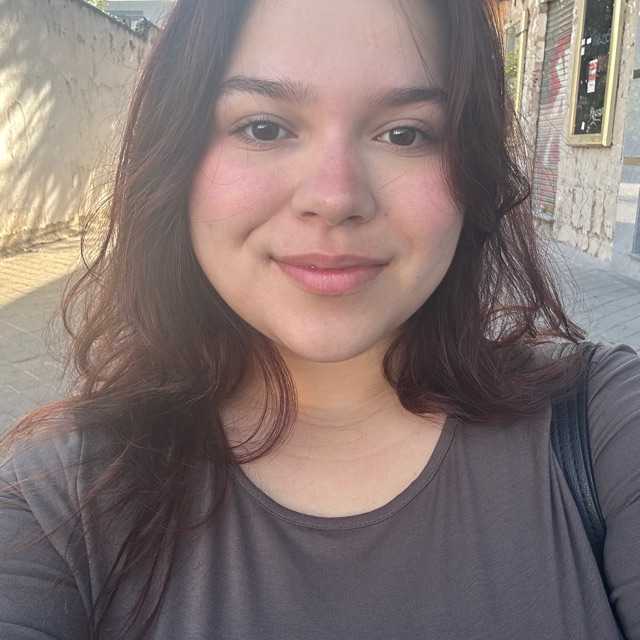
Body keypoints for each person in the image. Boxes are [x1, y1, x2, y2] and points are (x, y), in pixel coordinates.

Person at [0, 0, 638, 638]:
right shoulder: (56, 499)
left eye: (405, 134)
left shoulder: (603, 426)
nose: (334, 198)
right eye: (264, 128)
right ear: (177, 157)